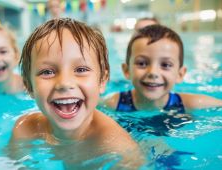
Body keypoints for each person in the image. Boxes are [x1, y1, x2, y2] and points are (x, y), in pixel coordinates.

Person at [9, 18, 143, 169]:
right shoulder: (24, 129)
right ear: (29, 86)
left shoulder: (118, 148)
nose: (65, 83)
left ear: (103, 80)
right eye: (47, 72)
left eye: (81, 70)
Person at [102, 25, 222, 135]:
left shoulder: (189, 103)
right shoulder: (113, 103)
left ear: (180, 74)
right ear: (126, 70)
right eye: (142, 63)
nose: (153, 72)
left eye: (165, 65)